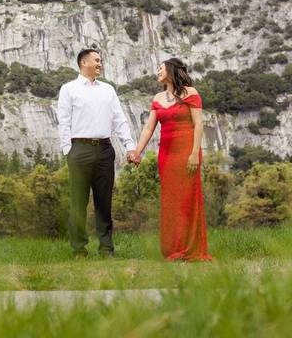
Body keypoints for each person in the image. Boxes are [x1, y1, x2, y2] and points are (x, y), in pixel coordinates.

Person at [130, 57, 213, 261]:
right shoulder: (158, 98)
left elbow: (199, 125)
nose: (157, 72)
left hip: (187, 152)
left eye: (160, 68)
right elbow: (149, 128)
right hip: (166, 155)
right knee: (171, 201)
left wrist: (195, 153)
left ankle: (191, 247)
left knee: (187, 199)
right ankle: (173, 248)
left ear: (171, 70)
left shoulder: (190, 93)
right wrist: (137, 152)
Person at [57, 48, 136, 258]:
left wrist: (129, 146)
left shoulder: (108, 90)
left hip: (104, 149)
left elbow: (119, 120)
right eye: (97, 60)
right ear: (84, 63)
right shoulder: (69, 89)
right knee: (78, 202)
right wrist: (68, 151)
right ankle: (79, 249)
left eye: (101, 60)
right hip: (79, 150)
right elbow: (63, 121)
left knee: (104, 202)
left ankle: (106, 248)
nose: (100, 64)